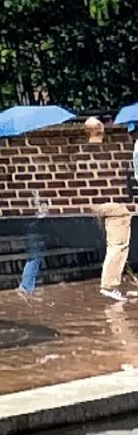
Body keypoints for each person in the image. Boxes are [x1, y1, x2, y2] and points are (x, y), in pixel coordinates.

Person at [85, 118, 137, 301]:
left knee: (114, 245)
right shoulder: (109, 152)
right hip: (114, 206)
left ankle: (123, 279)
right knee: (118, 245)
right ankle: (109, 285)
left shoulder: (82, 153)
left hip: (95, 206)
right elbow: (123, 181)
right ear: (100, 129)